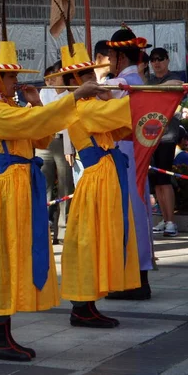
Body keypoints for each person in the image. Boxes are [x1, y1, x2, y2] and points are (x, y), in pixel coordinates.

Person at [0, 33, 106, 362]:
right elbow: (29, 124)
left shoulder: (9, 107)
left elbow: (39, 137)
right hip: (7, 192)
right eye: (11, 76)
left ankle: (5, 334)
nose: (16, 81)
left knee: (14, 259)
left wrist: (38, 103)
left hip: (21, 187)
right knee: (1, 260)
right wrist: (72, 98)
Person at [55, 36, 141, 329]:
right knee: (90, 241)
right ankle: (81, 306)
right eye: (89, 75)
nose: (96, 78)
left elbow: (115, 130)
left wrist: (107, 97)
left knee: (101, 239)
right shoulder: (82, 107)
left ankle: (87, 304)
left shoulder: (91, 104)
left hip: (107, 175)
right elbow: (118, 115)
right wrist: (141, 97)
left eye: (93, 73)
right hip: (97, 179)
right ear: (76, 81)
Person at [103, 26, 155, 300]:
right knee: (139, 210)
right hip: (139, 153)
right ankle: (140, 277)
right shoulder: (142, 83)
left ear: (120, 57)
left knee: (125, 213)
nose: (109, 61)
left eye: (111, 56)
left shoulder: (115, 86)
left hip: (120, 154)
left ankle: (131, 279)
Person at [148, 47, 183, 237]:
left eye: (160, 59)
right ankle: (164, 217)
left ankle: (171, 222)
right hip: (150, 136)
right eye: (153, 59)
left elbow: (177, 85)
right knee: (156, 182)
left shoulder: (175, 76)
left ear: (167, 60)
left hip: (167, 136)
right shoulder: (149, 80)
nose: (157, 63)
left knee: (165, 179)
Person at [38, 61, 74, 245]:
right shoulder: (44, 92)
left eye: (58, 74)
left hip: (63, 142)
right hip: (45, 141)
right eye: (53, 74)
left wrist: (70, 148)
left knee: (65, 188)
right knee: (43, 186)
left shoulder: (72, 94)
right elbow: (45, 115)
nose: (54, 78)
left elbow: (67, 121)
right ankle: (43, 229)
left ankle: (62, 231)